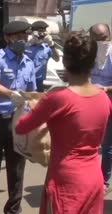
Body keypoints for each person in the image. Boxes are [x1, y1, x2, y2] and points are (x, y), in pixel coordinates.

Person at [16, 32, 111, 214]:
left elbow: (22, 127)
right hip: (94, 178)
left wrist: (25, 105)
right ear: (92, 63)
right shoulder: (104, 98)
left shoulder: (58, 98)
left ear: (65, 63)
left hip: (66, 182)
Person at [0, 20, 36, 214]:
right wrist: (11, 94)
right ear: (7, 38)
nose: (23, 40)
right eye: (19, 36)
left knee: (17, 170)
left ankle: (13, 210)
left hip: (17, 121)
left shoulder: (28, 63)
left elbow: (32, 93)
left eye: (25, 36)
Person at [89, 23, 112, 192]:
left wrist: (106, 89)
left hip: (109, 99)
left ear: (109, 35)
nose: (100, 42)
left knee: (108, 144)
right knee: (88, 142)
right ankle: (88, 177)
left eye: (103, 38)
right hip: (90, 100)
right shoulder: (88, 53)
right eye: (96, 39)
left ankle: (104, 180)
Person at [26, 20, 60, 92]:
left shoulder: (47, 47)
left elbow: (57, 59)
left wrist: (52, 45)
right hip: (26, 82)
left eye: (43, 32)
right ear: (32, 32)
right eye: (39, 32)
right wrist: (30, 43)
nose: (41, 35)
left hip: (39, 83)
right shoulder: (27, 44)